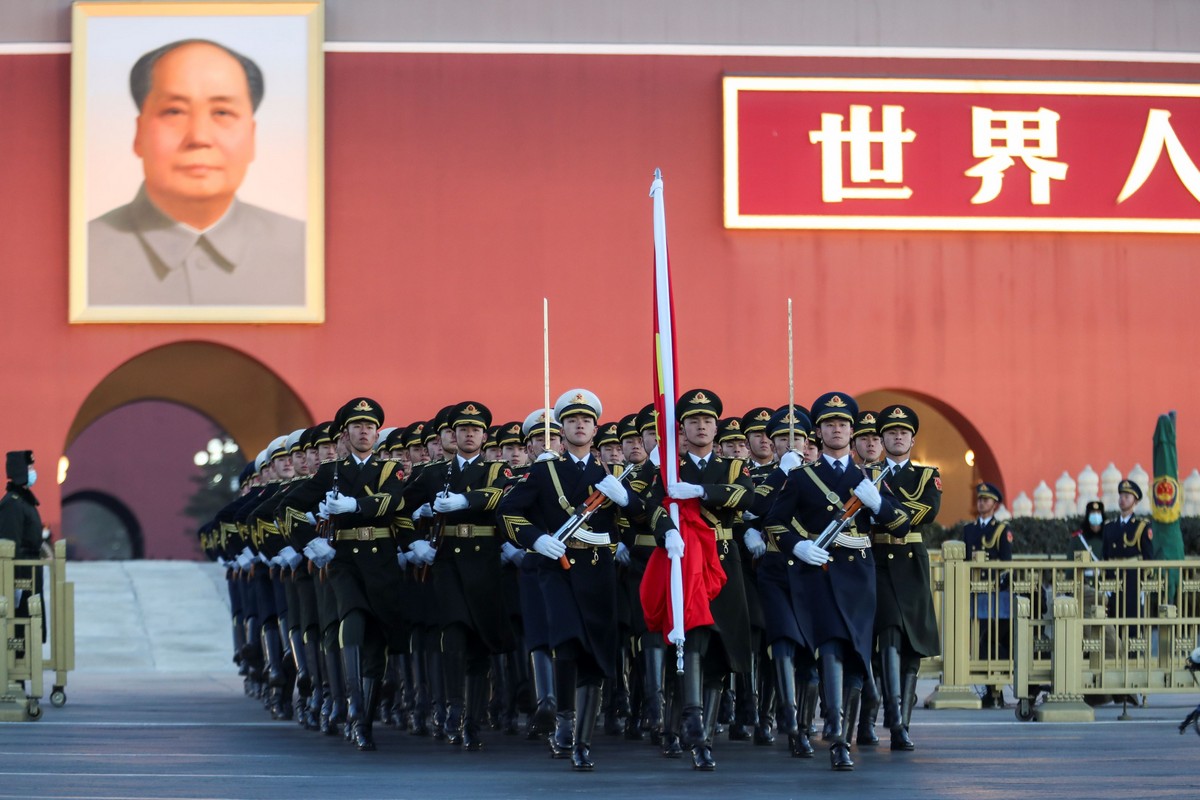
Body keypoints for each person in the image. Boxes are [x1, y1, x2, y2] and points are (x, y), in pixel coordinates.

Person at [88, 39, 304, 307]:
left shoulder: (308, 251)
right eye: (175, 111)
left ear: (252, 137)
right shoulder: (80, 254)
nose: (199, 137)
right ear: (139, 134)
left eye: (222, 112)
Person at [763, 392, 910, 771]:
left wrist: (878, 504)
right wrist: (798, 547)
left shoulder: (870, 477)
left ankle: (840, 722)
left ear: (852, 429)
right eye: (830, 424)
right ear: (819, 432)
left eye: (843, 424)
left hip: (859, 576)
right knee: (829, 647)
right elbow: (775, 522)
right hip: (820, 572)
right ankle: (838, 734)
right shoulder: (802, 477)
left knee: (857, 654)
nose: (837, 429)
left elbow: (901, 524)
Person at [498, 389, 634, 771]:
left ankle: (584, 740)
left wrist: (625, 500)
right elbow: (508, 512)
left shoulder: (611, 476)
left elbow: (639, 517)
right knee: (568, 642)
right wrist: (534, 539)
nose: (579, 425)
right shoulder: (543, 471)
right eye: (572, 420)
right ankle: (564, 725)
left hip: (598, 571)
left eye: (586, 421)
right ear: (563, 428)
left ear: (595, 429)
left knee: (596, 653)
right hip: (556, 570)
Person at [642, 389, 754, 771]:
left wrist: (703, 491)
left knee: (720, 652)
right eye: (693, 421)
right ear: (683, 429)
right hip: (684, 562)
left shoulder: (733, 466)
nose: (701, 426)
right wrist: (665, 532)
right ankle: (689, 729)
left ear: (716, 427)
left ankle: (700, 731)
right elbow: (651, 507)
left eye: (707, 420)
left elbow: (745, 495)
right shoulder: (669, 469)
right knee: (689, 642)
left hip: (723, 563)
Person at [871, 404, 941, 751]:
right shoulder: (867, 474)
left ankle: (904, 723)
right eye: (891, 432)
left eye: (903, 432)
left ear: (912, 439)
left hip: (911, 562)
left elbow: (927, 511)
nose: (898, 437)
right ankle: (893, 718)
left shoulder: (927, 476)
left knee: (912, 645)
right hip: (879, 560)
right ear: (882, 438)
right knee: (890, 632)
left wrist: (881, 506)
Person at [962, 481, 1013, 708]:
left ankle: (996, 690)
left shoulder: (1001, 530)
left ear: (995, 504)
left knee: (994, 640)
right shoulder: (968, 530)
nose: (982, 502)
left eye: (986, 499)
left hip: (995, 594)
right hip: (975, 593)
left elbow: (1006, 563)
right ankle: (986, 688)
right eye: (980, 499)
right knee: (978, 640)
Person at [0, 451, 45, 648]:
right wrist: (15, 583)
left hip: (31, 572)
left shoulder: (24, 501)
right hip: (22, 575)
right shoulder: (12, 503)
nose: (33, 472)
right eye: (29, 468)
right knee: (19, 625)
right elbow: (10, 544)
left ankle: (23, 671)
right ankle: (15, 673)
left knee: (30, 624)